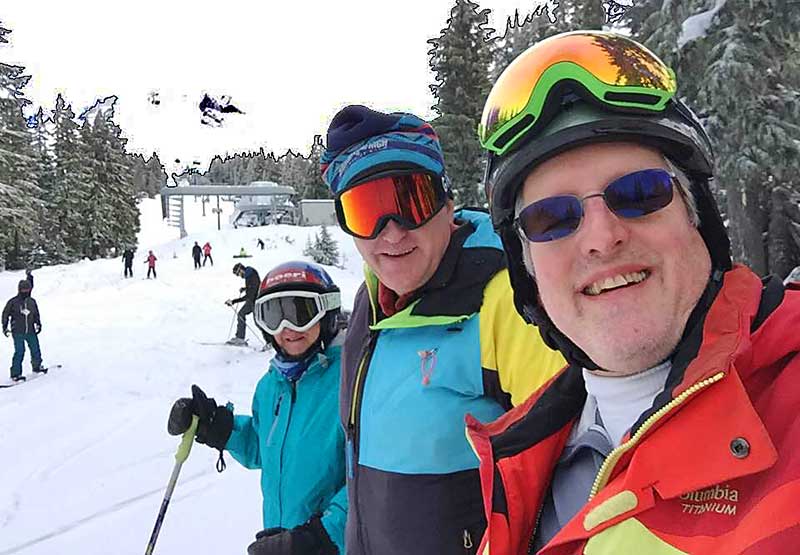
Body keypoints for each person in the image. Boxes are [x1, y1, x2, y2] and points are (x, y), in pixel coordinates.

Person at [470, 30, 800, 554]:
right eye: (553, 218)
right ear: (528, 269)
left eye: (639, 194)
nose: (602, 238)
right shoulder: (522, 458)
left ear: (699, 221)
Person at [320, 105, 565, 555]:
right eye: (365, 211)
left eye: (410, 202)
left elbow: (576, 472)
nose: (390, 234)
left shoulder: (504, 300)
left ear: (446, 203)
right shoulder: (369, 303)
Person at [168, 261, 346, 555]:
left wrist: (320, 537)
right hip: (282, 541)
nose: (287, 328)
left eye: (301, 313)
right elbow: (265, 446)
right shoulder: (271, 385)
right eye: (273, 315)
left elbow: (376, 481)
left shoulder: (351, 378)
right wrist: (218, 426)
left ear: (327, 312)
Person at [2, 279, 45, 381]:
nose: (25, 291)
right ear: (19, 289)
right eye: (23, 289)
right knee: (20, 351)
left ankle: (37, 366)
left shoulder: (32, 301)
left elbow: (36, 314)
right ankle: (15, 374)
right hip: (18, 331)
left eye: (27, 289)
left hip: (30, 330)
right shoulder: (13, 302)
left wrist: (38, 324)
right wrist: (5, 327)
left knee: (35, 349)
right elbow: (5, 314)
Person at [226, 262, 260, 345]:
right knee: (241, 314)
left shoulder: (251, 276)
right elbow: (253, 286)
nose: (239, 276)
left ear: (241, 270)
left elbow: (249, 295)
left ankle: (270, 341)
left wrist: (233, 301)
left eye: (238, 274)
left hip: (256, 301)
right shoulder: (250, 273)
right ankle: (240, 338)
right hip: (253, 300)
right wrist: (245, 288)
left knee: (259, 322)